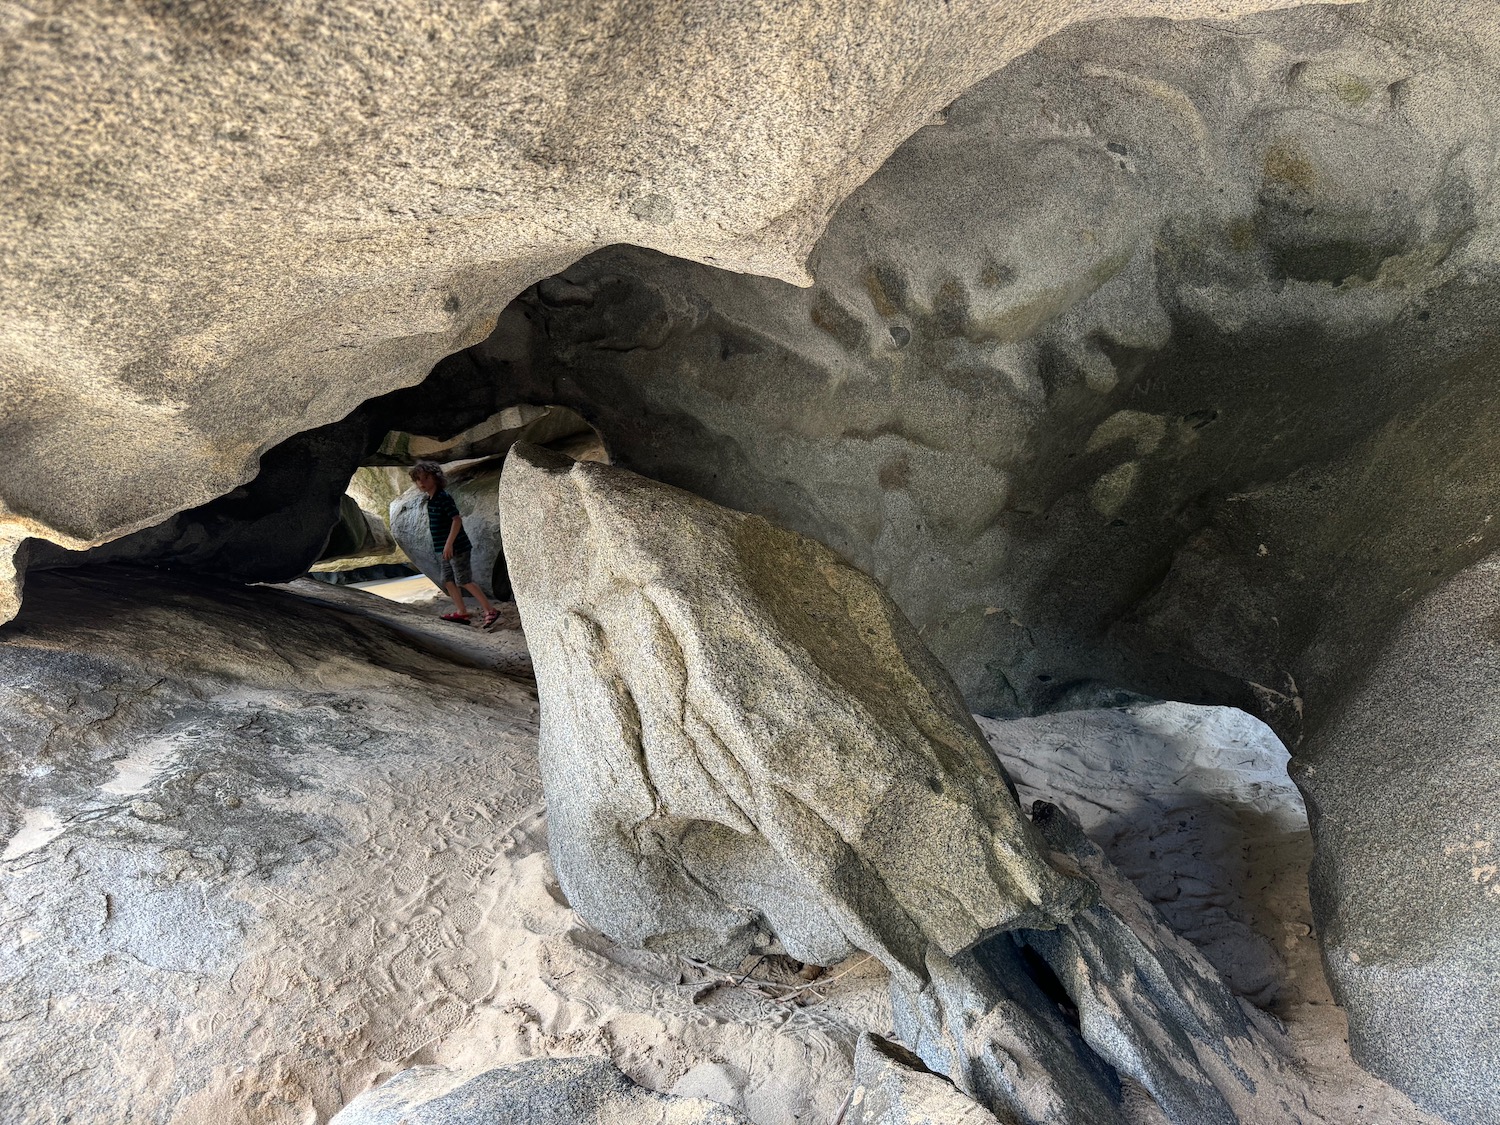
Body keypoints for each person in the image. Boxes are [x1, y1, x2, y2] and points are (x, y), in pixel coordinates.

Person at [409, 460, 499, 628]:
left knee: (464, 580)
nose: (421, 482)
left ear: (435, 478)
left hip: (456, 547)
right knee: (448, 580)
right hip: (445, 549)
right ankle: (462, 612)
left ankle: (490, 610)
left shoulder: (443, 497)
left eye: (426, 478)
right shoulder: (431, 500)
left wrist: (449, 544)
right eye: (418, 479)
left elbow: (456, 520)